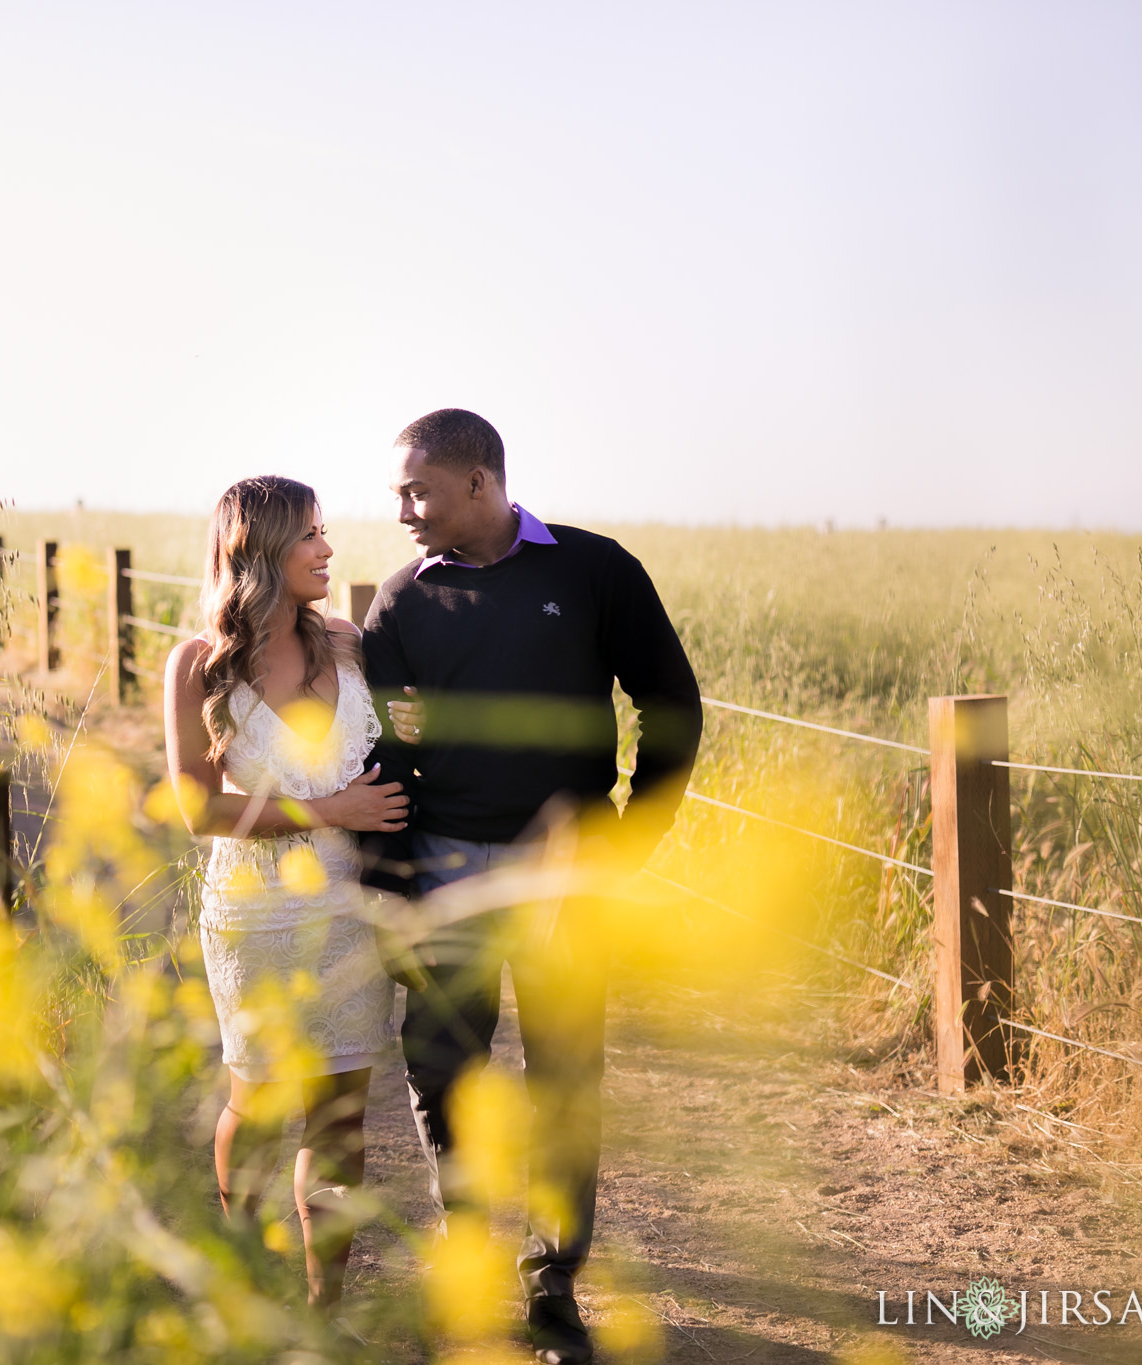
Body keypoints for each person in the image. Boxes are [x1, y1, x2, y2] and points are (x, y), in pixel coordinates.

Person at [362, 409, 701, 1365]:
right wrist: (395, 893)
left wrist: (632, 837)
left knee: (562, 1077)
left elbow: (672, 701)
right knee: (443, 1069)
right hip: (445, 866)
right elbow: (384, 758)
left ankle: (553, 1288)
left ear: (479, 482)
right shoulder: (398, 605)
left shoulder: (594, 571)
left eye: (416, 490)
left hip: (568, 875)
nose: (401, 512)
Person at [162, 475, 409, 1308]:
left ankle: (322, 1310)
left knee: (339, 1120)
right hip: (254, 916)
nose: (328, 548)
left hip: (348, 909)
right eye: (310, 534)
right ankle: (240, 1275)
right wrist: (330, 808)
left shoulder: (346, 641)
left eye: (324, 531)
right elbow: (197, 805)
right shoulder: (198, 664)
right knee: (258, 1101)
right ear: (258, 550)